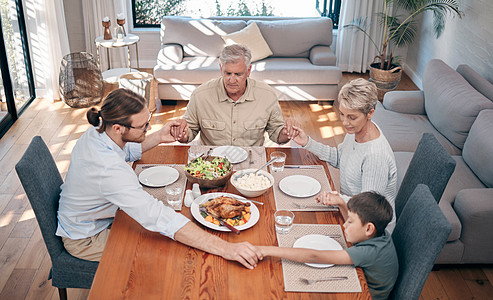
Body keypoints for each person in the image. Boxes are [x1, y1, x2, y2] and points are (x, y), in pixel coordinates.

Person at [56, 88, 261, 269]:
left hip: (103, 216)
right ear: (118, 128)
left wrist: (159, 137)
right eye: (144, 126)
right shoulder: (108, 170)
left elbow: (124, 150)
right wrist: (227, 249)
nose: (148, 129)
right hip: (87, 237)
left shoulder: (100, 129)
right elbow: (159, 218)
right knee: (165, 254)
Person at [291, 78, 397, 232]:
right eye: (342, 114)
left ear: (370, 113)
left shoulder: (375, 156)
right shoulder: (356, 130)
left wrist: (339, 199)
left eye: (352, 117)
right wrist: (307, 142)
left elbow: (371, 209)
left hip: (370, 230)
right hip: (350, 211)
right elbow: (340, 158)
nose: (345, 122)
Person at [259, 191, 399, 300]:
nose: (344, 225)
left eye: (350, 222)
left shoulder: (369, 252)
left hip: (365, 294)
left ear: (369, 228)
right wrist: (341, 204)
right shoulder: (379, 233)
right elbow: (358, 230)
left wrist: (267, 250)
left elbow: (314, 256)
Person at [172, 44, 299, 146]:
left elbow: (277, 134)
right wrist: (182, 134)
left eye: (238, 74)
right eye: (228, 73)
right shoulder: (200, 95)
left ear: (249, 71)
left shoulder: (267, 95)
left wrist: (287, 132)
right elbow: (189, 132)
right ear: (221, 68)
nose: (232, 80)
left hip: (252, 162)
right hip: (211, 164)